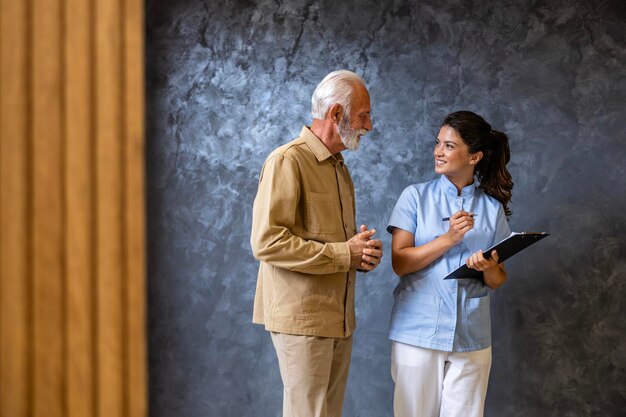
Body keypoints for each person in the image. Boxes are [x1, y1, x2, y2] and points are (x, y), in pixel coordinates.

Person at [250, 70, 384, 417]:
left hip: (337, 318)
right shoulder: (287, 161)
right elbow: (267, 241)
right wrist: (345, 252)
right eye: (363, 115)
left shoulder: (338, 167)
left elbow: (337, 246)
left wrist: (361, 254)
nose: (368, 126)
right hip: (303, 319)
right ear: (336, 114)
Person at [386, 110, 514, 417]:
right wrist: (449, 239)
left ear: (474, 157)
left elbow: (498, 280)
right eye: (438, 143)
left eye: (449, 145)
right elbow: (400, 263)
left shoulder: (491, 208)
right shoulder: (414, 197)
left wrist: (489, 268)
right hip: (418, 333)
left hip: (472, 336)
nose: (437, 152)